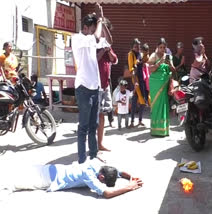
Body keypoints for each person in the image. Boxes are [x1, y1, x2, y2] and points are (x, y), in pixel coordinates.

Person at [72, 5, 113, 164]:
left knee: (93, 125)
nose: (96, 30)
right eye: (94, 28)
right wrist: (100, 20)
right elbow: (96, 37)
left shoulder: (92, 39)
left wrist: (103, 23)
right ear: (85, 27)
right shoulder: (78, 38)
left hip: (95, 89)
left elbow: (108, 41)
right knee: (83, 127)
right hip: (83, 89)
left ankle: (94, 156)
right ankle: (82, 160)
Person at [0, 158, 143, 200]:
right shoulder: (89, 175)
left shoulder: (98, 165)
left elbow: (118, 171)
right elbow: (107, 194)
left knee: (11, 175)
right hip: (44, 178)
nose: (100, 183)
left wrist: (131, 177)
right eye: (102, 182)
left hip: (49, 169)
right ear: (101, 177)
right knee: (9, 185)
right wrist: (130, 186)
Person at [96, 22, 118, 151]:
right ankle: (94, 145)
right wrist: (103, 50)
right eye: (105, 31)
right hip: (95, 86)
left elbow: (114, 60)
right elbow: (93, 59)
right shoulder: (93, 44)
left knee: (102, 115)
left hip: (105, 85)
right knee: (95, 116)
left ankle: (100, 144)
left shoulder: (106, 45)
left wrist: (108, 51)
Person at [148, 38, 175, 136]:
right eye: (160, 47)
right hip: (155, 83)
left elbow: (173, 70)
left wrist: (169, 64)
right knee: (156, 104)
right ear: (157, 47)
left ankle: (163, 129)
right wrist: (160, 63)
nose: (162, 49)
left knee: (164, 104)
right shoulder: (153, 56)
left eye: (164, 47)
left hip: (165, 82)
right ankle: (155, 129)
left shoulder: (168, 57)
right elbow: (150, 69)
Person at [128, 38, 148, 128]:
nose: (137, 48)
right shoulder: (131, 54)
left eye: (138, 46)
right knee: (135, 100)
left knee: (143, 101)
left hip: (142, 79)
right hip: (135, 79)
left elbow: (145, 60)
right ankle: (132, 121)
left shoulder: (140, 54)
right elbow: (131, 69)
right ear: (132, 47)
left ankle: (140, 120)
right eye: (135, 46)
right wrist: (135, 82)